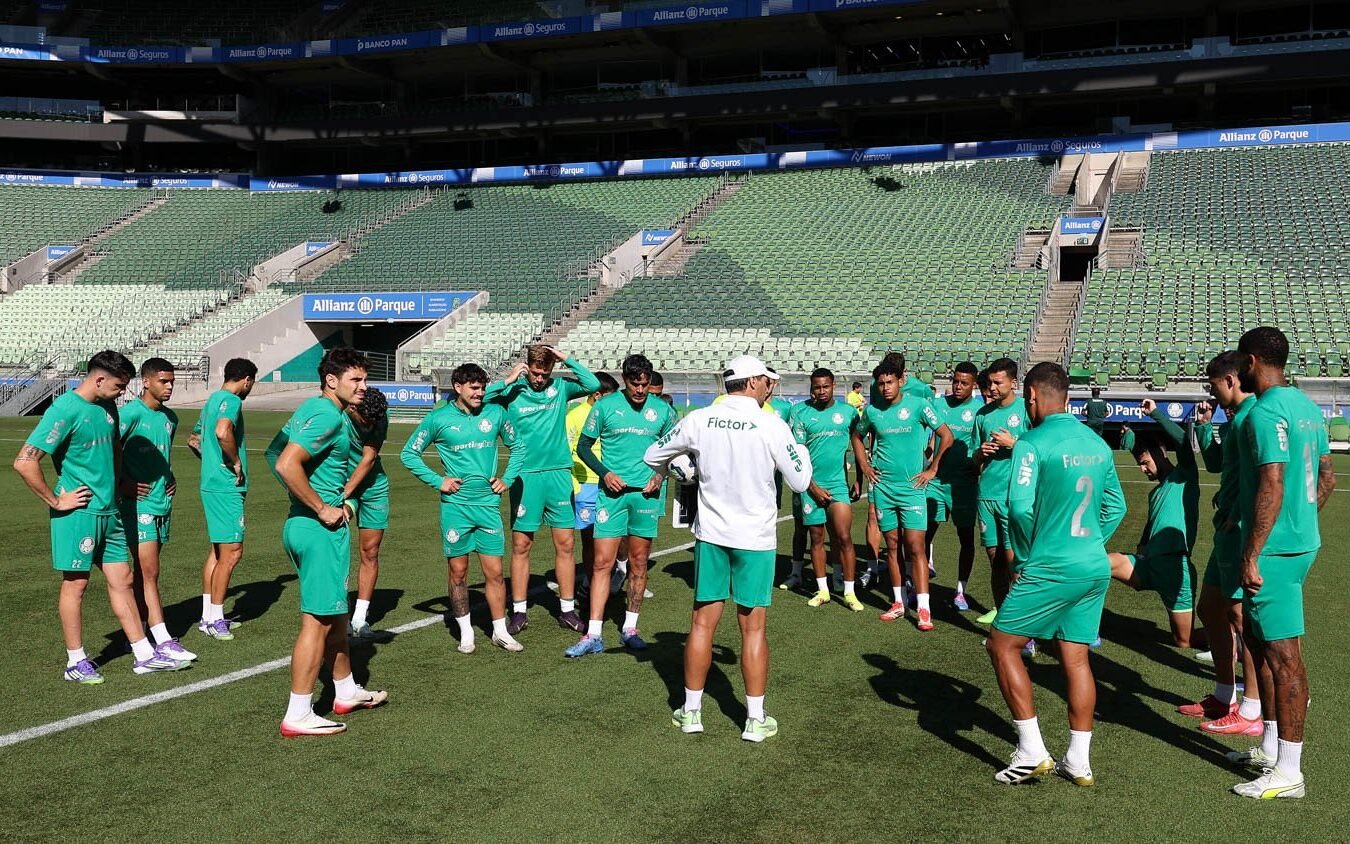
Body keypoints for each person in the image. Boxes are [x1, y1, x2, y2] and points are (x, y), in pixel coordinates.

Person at [645, 355, 812, 741]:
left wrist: (686, 467)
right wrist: (800, 451)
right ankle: (754, 719)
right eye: (766, 382)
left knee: (703, 622)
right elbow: (801, 481)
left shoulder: (699, 419)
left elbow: (654, 456)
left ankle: (691, 711)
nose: (770, 387)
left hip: (713, 534)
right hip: (754, 538)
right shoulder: (771, 424)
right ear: (752, 382)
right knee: (752, 629)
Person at [986, 362, 1126, 786]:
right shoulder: (1097, 444)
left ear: (1031, 395)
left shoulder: (1030, 443)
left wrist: (1029, 556)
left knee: (1001, 645)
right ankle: (1078, 761)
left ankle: (1031, 751)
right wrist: (1085, 543)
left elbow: (1018, 508)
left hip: (1049, 565)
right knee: (1077, 657)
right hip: (1092, 564)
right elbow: (1115, 507)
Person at [14, 350, 188, 683]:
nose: (123, 392)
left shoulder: (108, 407)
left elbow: (116, 449)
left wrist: (120, 484)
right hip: (79, 513)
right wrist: (55, 499)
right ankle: (75, 661)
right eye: (119, 386)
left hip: (111, 512)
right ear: (99, 379)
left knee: (123, 580)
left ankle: (144, 654)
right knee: (76, 584)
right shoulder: (65, 409)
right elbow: (25, 461)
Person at [1226, 327, 1334, 799]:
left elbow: (1272, 481)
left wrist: (1253, 550)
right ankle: (1271, 748)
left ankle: (1289, 771)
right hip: (1297, 541)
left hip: (1274, 550)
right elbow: (1326, 477)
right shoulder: (1308, 408)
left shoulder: (1266, 412)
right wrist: (1301, 521)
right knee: (1258, 641)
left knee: (1283, 657)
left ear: (1251, 362)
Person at [270, 348, 387, 737]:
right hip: (318, 531)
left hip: (303, 527)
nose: (363, 387)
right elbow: (287, 463)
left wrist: (311, 501)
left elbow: (274, 453)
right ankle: (298, 712)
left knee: (336, 616)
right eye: (355, 380)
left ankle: (345, 690)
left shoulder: (311, 408)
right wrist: (321, 506)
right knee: (317, 622)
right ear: (331, 381)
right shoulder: (326, 413)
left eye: (364, 379)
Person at [401, 363, 524, 654]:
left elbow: (518, 447)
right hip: (456, 507)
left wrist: (507, 478)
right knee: (458, 572)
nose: (480, 393)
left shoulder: (495, 413)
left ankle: (500, 631)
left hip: (488, 505)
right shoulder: (438, 419)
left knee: (494, 572)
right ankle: (466, 632)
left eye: (483, 388)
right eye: (474, 388)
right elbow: (409, 453)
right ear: (458, 388)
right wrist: (437, 480)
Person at [568, 354, 678, 657]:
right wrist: (605, 473)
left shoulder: (664, 411)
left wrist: (660, 473)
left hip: (645, 495)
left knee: (639, 562)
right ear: (625, 380)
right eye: (635, 384)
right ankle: (593, 633)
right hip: (612, 496)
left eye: (644, 384)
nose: (640, 390)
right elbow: (583, 447)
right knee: (603, 563)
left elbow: (676, 450)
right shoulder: (605, 406)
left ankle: (630, 627)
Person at [486, 345, 601, 635]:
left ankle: (566, 610)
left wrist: (565, 358)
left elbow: (593, 384)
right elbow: (477, 397)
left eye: (544, 373)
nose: (539, 379)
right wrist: (508, 380)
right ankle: (520, 611)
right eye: (535, 373)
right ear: (527, 367)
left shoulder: (560, 388)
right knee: (522, 545)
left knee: (565, 544)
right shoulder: (512, 392)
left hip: (559, 475)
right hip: (525, 477)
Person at [1184, 351, 1263, 734]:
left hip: (1238, 532)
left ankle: (1252, 708)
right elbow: (1218, 465)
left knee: (1238, 614)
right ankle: (1223, 694)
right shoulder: (1234, 420)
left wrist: (1241, 511)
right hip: (1225, 530)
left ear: (1231, 380)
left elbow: (1268, 476)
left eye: (1213, 385)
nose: (1211, 394)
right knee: (1211, 607)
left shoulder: (1252, 418)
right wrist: (1204, 425)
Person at [852, 357, 954, 629]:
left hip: (912, 489)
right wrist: (863, 463)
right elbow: (856, 436)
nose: (885, 388)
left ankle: (923, 607)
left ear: (901, 381)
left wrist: (932, 469)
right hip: (884, 488)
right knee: (893, 546)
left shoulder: (919, 406)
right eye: (881, 383)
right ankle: (898, 602)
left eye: (890, 382)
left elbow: (947, 435)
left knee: (916, 548)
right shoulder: (873, 412)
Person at [1107, 398, 1201, 648]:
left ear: (1160, 454)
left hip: (1174, 568)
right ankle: (1080, 624)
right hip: (1149, 565)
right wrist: (1142, 543)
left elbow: (1182, 441)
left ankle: (1232, 641)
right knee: (1100, 563)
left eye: (1145, 463)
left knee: (1184, 640)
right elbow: (1153, 522)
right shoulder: (1155, 492)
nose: (1142, 470)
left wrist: (1156, 414)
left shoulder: (1184, 478)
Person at [119, 358, 195, 662]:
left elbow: (160, 454)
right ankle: (162, 638)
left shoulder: (170, 418)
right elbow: (107, 452)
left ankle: (135, 632)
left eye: (172, 381)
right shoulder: (129, 415)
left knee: (144, 573)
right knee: (150, 572)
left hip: (163, 501)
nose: (169, 387)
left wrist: (169, 477)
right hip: (138, 505)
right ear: (146, 381)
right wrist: (121, 484)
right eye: (164, 381)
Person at [189, 357, 257, 640]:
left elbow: (193, 440)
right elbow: (222, 431)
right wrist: (233, 461)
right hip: (226, 488)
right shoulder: (231, 401)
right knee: (232, 553)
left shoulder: (210, 401)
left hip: (211, 484)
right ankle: (216, 619)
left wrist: (212, 462)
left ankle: (208, 616)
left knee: (218, 552)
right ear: (246, 380)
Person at [786, 368, 864, 611]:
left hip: (838, 484)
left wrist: (860, 479)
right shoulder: (799, 412)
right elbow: (795, 457)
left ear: (834, 386)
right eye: (816, 387)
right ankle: (823, 590)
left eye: (825, 386)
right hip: (810, 485)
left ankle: (849, 592)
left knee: (843, 537)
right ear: (811, 388)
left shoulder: (849, 413)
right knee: (816, 538)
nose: (821, 391)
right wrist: (813, 487)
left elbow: (858, 445)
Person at [972, 358, 1028, 626]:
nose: (991, 387)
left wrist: (1014, 442)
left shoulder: (1026, 410)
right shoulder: (983, 414)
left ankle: (1021, 627)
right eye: (990, 382)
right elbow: (973, 459)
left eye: (998, 382)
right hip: (986, 496)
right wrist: (979, 453)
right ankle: (1003, 619)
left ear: (1013, 383)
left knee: (1014, 562)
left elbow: (1040, 450)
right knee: (995, 560)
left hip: (1014, 497)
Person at [926, 362, 984, 612]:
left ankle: (961, 590)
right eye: (955, 382)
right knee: (923, 532)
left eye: (964, 383)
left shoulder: (981, 411)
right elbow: (931, 437)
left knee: (965, 538)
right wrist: (927, 453)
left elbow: (984, 444)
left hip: (964, 485)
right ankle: (918, 576)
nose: (958, 387)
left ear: (974, 385)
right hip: (937, 481)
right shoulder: (939, 405)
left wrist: (978, 464)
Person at [342, 386, 389, 639]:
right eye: (365, 421)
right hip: (338, 485)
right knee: (335, 548)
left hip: (372, 487)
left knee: (370, 551)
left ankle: (359, 618)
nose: (370, 425)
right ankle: (336, 612)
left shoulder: (379, 416)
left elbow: (368, 458)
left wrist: (348, 492)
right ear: (352, 408)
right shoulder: (338, 414)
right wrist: (342, 493)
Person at [568, 372, 620, 595]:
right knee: (589, 539)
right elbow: (567, 450)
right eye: (609, 396)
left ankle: (607, 577)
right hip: (586, 485)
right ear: (597, 395)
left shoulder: (610, 414)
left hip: (611, 484)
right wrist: (575, 483)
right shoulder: (575, 416)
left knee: (611, 536)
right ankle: (590, 583)